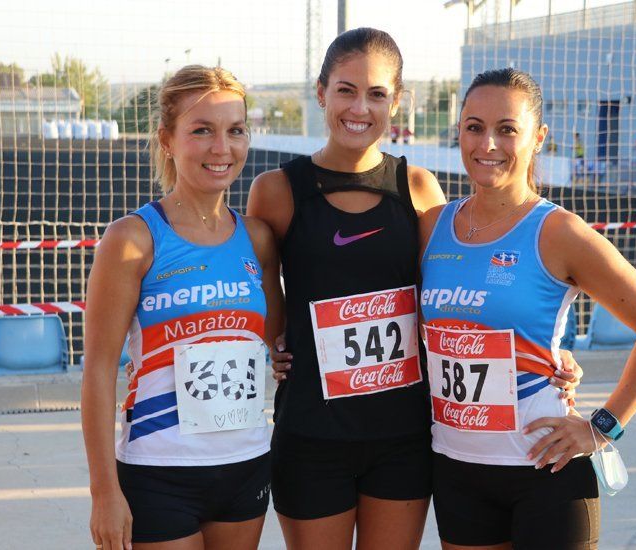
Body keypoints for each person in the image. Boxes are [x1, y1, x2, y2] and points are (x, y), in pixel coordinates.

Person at [247, 29, 583, 550]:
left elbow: (458, 298)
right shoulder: (276, 192)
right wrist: (277, 347)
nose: (360, 107)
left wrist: (546, 357)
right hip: (312, 434)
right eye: (345, 90)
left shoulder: (420, 189)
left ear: (396, 101)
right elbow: (266, 306)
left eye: (377, 93)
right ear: (320, 93)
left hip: (403, 437)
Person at [419, 68, 636, 549]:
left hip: (544, 469)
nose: (488, 144)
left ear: (538, 137)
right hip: (455, 469)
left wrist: (603, 428)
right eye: (474, 126)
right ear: (458, 130)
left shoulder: (559, 232)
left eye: (507, 129)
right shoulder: (433, 226)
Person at [82, 65, 283, 550]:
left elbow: (273, 340)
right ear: (167, 141)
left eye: (235, 131)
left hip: (247, 463)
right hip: (161, 470)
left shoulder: (257, 238)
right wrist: (104, 491)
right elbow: (99, 367)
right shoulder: (132, 239)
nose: (222, 148)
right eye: (202, 131)